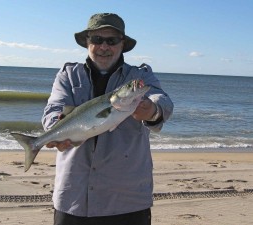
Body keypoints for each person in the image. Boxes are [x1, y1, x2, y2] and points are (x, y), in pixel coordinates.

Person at [42, 13, 173, 225]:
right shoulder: (68, 75)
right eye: (97, 39)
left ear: (122, 44)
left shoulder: (140, 77)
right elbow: (53, 109)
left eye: (111, 41)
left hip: (128, 200)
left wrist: (152, 110)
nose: (104, 46)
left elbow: (163, 101)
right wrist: (57, 129)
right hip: (74, 197)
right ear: (87, 42)